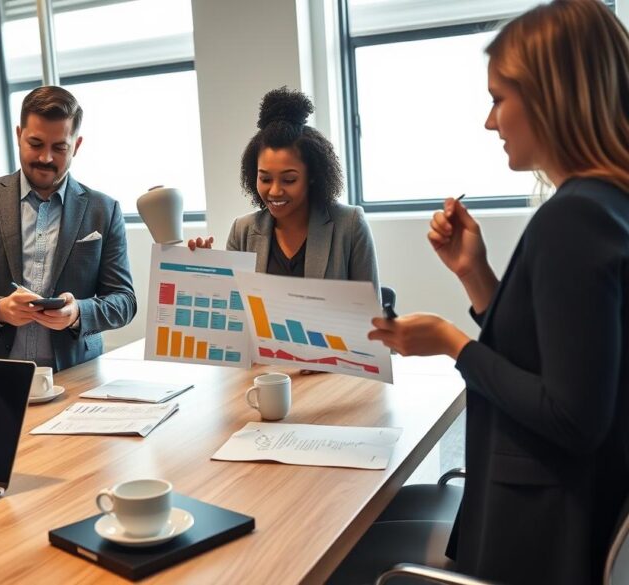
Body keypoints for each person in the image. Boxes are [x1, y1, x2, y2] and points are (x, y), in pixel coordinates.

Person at [368, 2, 629, 583]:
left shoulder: (575, 218)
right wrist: (475, 275)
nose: (491, 123)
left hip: (541, 535)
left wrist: (452, 343)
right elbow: (558, 357)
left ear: (550, 98)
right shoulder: (608, 206)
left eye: (497, 99)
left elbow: (573, 416)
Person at [0, 86, 136, 371]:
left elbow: (124, 301)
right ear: (19, 136)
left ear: (76, 146)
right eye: (36, 143)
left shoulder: (105, 209)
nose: (46, 158)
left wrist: (79, 311)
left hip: (75, 374)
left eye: (59, 147)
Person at [187, 87, 379, 292]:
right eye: (265, 179)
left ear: (312, 176)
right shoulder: (242, 231)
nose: (275, 191)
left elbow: (370, 314)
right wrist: (206, 271)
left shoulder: (349, 225)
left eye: (289, 180)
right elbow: (233, 310)